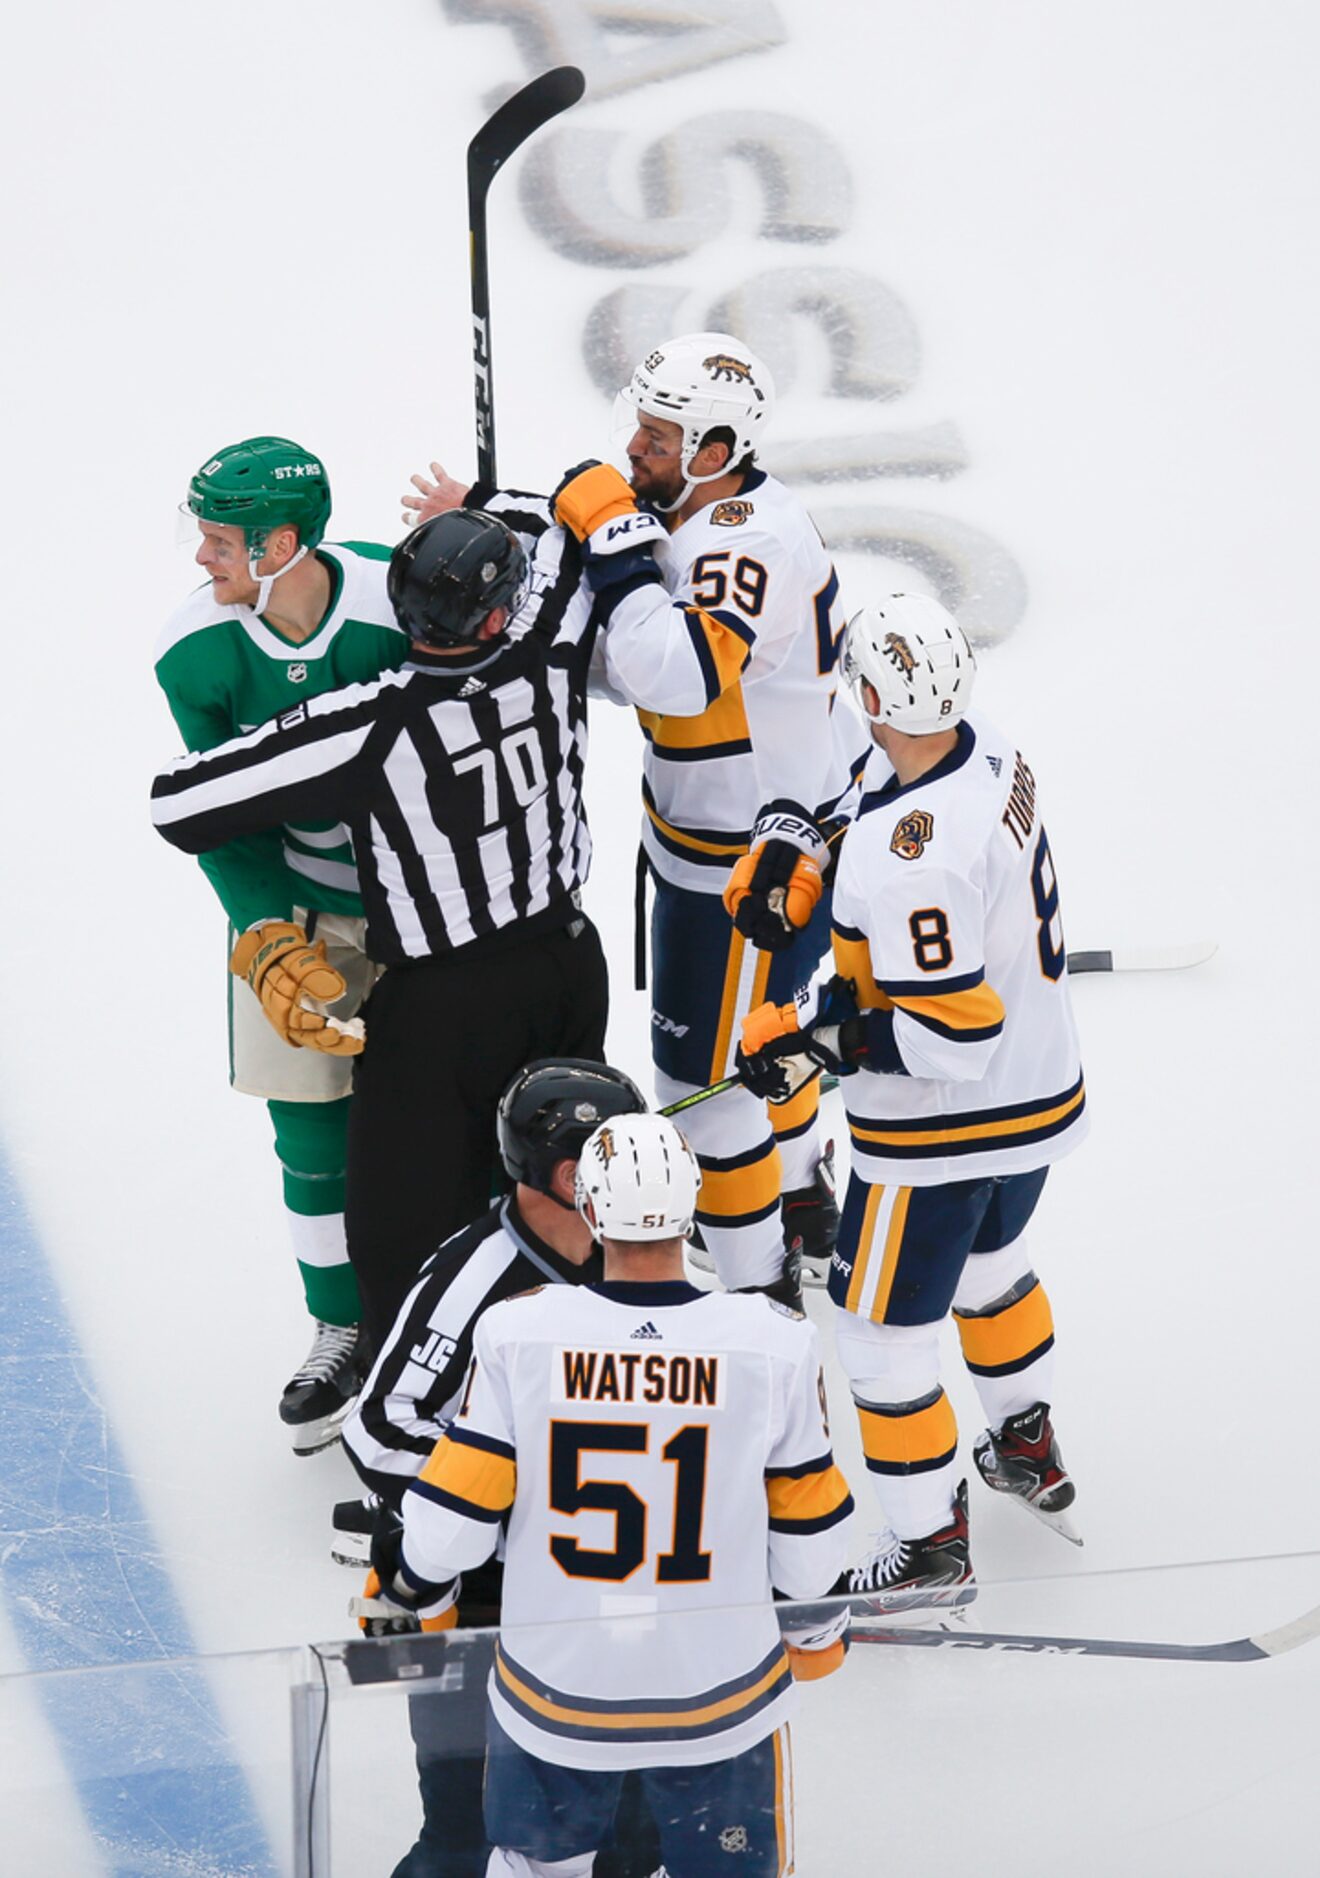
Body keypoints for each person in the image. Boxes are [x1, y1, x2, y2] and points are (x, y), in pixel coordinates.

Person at [404, 331, 863, 1305]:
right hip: (727, 831)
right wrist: (503, 539)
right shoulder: (705, 515)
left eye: (659, 438)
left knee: (704, 1095)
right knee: (764, 1043)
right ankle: (799, 1200)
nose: (636, 453)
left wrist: (613, 544)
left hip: (749, 858)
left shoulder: (746, 538)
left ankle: (754, 1294)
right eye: (640, 429)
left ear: (715, 448)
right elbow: (618, 657)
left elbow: (677, 673)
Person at [152, 507, 634, 1354]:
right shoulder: (551, 647)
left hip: (440, 1002)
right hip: (565, 965)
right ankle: (569, 1366)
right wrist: (490, 500)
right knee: (560, 1185)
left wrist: (287, 735)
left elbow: (180, 802)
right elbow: (566, 539)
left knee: (398, 1232)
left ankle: (410, 1418)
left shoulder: (367, 723)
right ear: (497, 616)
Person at [361, 1111, 855, 1877]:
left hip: (558, 1694)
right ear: (691, 1207)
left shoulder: (518, 1333)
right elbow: (811, 1544)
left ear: (590, 1210)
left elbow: (452, 1530)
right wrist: (817, 1634)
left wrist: (410, 1578)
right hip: (719, 1697)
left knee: (533, 1868)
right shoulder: (773, 1340)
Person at [736, 593, 1088, 1612]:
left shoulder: (908, 865)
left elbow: (950, 1031)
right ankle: (1026, 1440)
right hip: (1037, 1093)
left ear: (878, 692)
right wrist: (805, 852)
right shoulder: (988, 748)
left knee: (877, 1339)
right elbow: (877, 794)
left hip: (942, 1130)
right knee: (994, 1267)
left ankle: (929, 1547)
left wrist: (811, 1041)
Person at [155, 435, 408, 1452]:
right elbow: (222, 813)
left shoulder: (398, 602)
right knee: (311, 1139)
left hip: (428, 909)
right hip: (309, 914)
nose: (201, 560)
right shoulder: (197, 652)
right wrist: (263, 932)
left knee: (472, 1119)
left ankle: (477, 1319)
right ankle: (341, 1325)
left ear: (283, 543)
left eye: (220, 541)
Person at [346, 1058, 652, 1878]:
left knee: (632, 1835)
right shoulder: (474, 1277)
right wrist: (509, 1513)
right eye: (615, 1156)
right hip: (477, 1602)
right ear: (561, 1172)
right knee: (465, 1836)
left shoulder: (644, 1258)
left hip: (601, 1603)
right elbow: (380, 1428)